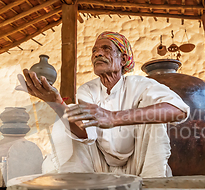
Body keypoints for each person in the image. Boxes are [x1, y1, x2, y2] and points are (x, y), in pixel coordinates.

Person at [17, 31, 189, 177]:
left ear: (122, 60)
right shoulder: (88, 90)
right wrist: (55, 103)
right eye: (94, 51)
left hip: (140, 164)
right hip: (100, 168)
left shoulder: (140, 84)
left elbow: (178, 110)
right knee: (66, 115)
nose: (98, 54)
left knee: (155, 113)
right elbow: (84, 134)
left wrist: (114, 117)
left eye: (106, 49)